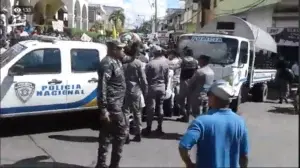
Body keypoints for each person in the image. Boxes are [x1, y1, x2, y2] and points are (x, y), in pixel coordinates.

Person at [179, 81, 249, 168]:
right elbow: (244, 156)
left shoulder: (201, 121)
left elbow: (183, 146)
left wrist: (189, 164)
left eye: (209, 94)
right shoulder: (240, 122)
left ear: (214, 97)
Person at [96, 40, 127, 168]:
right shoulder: (107, 63)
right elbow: (102, 86)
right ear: (114, 49)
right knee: (120, 133)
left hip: (116, 104)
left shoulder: (117, 61)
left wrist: (136, 45)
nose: (123, 51)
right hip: (112, 105)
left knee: (106, 134)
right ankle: (113, 165)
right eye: (121, 49)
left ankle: (101, 164)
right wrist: (103, 108)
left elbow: (131, 57)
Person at [123, 42, 148, 143]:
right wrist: (145, 91)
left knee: (125, 113)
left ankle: (126, 135)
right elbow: (143, 79)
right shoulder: (137, 63)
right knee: (137, 113)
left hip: (124, 90)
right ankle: (138, 133)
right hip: (135, 90)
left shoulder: (122, 62)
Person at [143, 45, 169, 136]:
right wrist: (165, 87)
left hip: (152, 87)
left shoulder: (150, 64)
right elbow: (166, 78)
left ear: (153, 53)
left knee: (151, 108)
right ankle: (159, 127)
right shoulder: (165, 63)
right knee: (160, 106)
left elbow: (145, 77)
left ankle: (149, 127)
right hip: (162, 86)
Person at [177, 47, 198, 122]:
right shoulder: (196, 61)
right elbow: (197, 71)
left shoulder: (182, 60)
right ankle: (187, 117)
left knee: (180, 100)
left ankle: (185, 114)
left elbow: (176, 67)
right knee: (189, 100)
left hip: (183, 81)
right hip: (192, 82)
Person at [168, 50, 182, 115]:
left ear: (173, 54)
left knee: (172, 94)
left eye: (170, 54)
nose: (169, 56)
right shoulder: (181, 61)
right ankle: (178, 110)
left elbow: (170, 70)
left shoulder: (171, 62)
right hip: (180, 79)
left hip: (174, 79)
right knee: (178, 95)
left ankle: (171, 110)